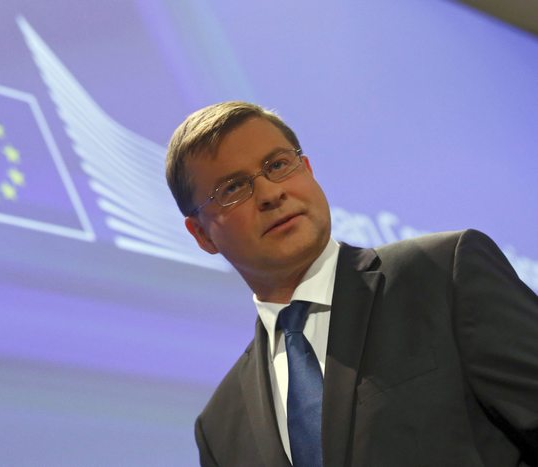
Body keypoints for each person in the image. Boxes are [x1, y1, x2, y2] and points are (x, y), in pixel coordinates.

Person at [165, 101, 538, 466]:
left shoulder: (442, 274)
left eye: (277, 165)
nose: (270, 194)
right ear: (202, 234)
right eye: (233, 188)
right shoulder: (219, 429)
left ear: (307, 169)